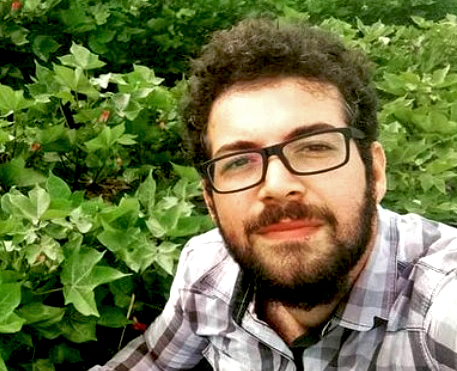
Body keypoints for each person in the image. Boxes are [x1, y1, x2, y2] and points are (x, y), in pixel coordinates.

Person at [89, 18, 457, 370]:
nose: (277, 186)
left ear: (374, 172)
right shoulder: (205, 270)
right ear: (211, 202)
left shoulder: (439, 307)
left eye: (314, 147)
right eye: (238, 161)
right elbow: (153, 360)